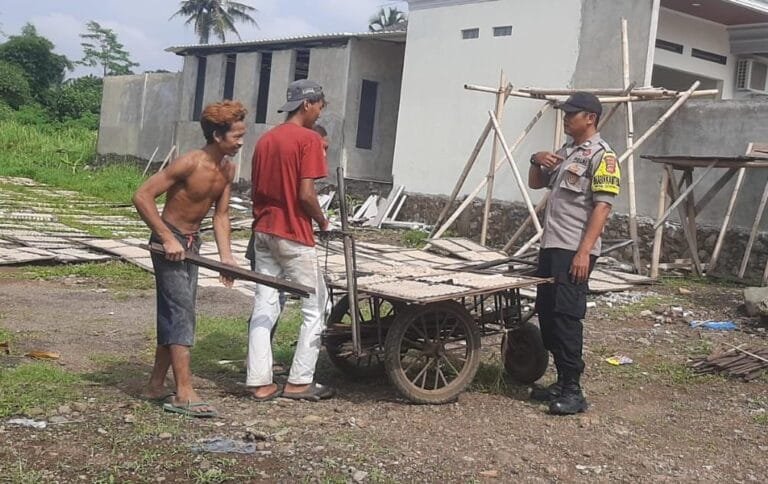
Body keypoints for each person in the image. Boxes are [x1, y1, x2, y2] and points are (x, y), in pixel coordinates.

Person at [133, 101, 246, 417]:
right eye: (236, 136)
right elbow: (142, 196)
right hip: (169, 242)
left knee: (174, 313)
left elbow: (221, 216)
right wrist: (167, 237)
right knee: (182, 313)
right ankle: (184, 392)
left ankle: (156, 385)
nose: (240, 142)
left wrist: (227, 259)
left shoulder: (227, 169)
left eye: (242, 136)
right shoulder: (189, 163)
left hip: (193, 245)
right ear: (216, 134)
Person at [527, 92, 620, 415]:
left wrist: (584, 253)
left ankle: (573, 390)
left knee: (567, 317)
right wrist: (535, 159)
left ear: (590, 117)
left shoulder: (602, 156)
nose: (566, 118)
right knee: (548, 312)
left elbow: (603, 206)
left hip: (574, 251)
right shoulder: (566, 152)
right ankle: (559, 381)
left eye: (572, 114)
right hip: (552, 245)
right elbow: (537, 184)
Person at [246, 79, 333, 402]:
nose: (319, 112)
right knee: (316, 305)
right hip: (293, 233)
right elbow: (305, 194)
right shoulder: (308, 139)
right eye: (320, 106)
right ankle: (299, 381)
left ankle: (259, 381)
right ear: (308, 104)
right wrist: (322, 220)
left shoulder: (265, 141)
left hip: (263, 231)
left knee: (264, 305)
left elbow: (256, 189)